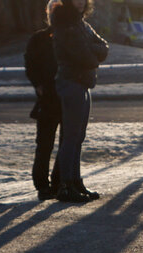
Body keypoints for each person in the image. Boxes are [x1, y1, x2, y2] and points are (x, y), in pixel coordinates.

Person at [52, 0, 108, 202]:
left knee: (78, 137)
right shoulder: (65, 23)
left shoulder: (82, 24)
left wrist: (92, 51)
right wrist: (93, 56)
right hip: (71, 83)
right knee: (71, 137)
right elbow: (85, 56)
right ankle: (65, 185)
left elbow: (104, 47)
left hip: (84, 83)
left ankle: (75, 181)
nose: (80, 2)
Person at [25, 0, 63, 201]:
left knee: (66, 143)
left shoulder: (68, 35)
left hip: (65, 95)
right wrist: (38, 84)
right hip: (48, 97)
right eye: (52, 11)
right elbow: (30, 63)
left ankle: (58, 182)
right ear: (47, 14)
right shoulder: (39, 38)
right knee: (44, 145)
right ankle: (42, 185)